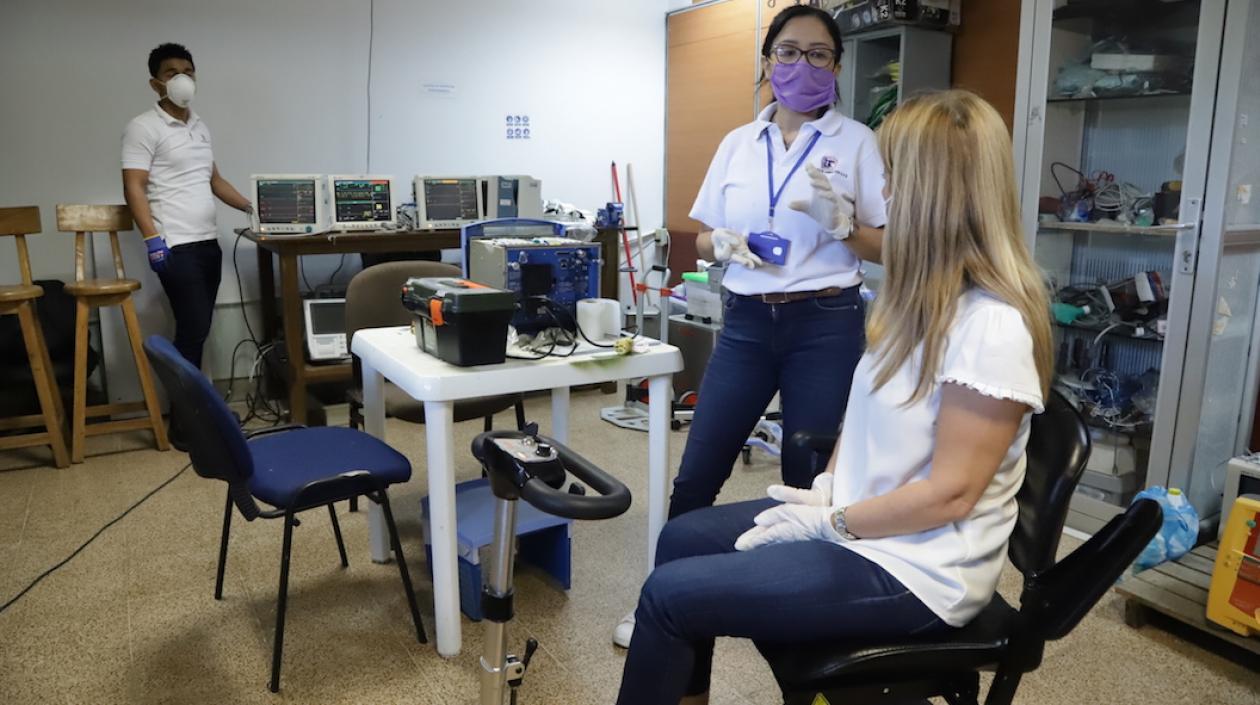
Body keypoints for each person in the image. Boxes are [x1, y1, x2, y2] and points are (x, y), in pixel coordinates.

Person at [614, 90, 1055, 705]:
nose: (890, 195)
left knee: (669, 597)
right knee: (682, 539)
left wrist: (831, 523)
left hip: (920, 572)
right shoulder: (918, 302)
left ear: (936, 194)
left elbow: (952, 493)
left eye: (897, 179)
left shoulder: (992, 325)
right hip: (870, 525)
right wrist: (829, 484)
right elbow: (865, 414)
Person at [613, 4, 886, 647]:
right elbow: (702, 237)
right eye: (788, 51)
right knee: (700, 468)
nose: (802, 65)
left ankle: (792, 613)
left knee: (804, 472)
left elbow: (888, 246)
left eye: (819, 53)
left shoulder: (859, 144)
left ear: (838, 66)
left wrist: (844, 225)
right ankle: (657, 601)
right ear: (768, 61)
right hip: (743, 323)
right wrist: (722, 244)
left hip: (825, 322)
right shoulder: (739, 142)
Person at [121, 43, 252, 445]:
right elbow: (134, 186)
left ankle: (198, 413)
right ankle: (185, 426)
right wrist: (152, 239)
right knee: (192, 333)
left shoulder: (200, 125)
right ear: (155, 82)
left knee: (196, 330)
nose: (182, 78)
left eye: (189, 71)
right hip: (175, 247)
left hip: (207, 244)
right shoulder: (143, 127)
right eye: (172, 71)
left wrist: (253, 208)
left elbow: (214, 180)